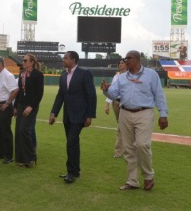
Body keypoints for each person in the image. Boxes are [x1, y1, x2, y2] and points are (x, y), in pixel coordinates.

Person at [101, 50, 169, 191]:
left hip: (144, 113)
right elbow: (114, 93)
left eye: (129, 58)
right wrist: (106, 90)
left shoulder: (151, 75)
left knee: (142, 144)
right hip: (125, 113)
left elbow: (159, 95)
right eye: (125, 59)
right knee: (128, 148)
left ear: (138, 59)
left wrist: (163, 114)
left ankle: (148, 176)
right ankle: (132, 181)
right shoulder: (121, 77)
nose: (126, 61)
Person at [49, 51, 97, 184]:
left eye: (65, 58)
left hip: (80, 115)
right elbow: (61, 96)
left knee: (71, 142)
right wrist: (54, 113)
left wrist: (89, 115)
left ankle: (72, 172)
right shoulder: (63, 75)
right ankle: (74, 171)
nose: (63, 60)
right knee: (73, 143)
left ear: (73, 60)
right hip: (67, 116)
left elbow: (91, 95)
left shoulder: (85, 73)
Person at [14, 53, 44, 168]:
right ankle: (23, 159)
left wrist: (31, 106)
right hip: (21, 105)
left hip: (31, 107)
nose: (23, 62)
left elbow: (39, 93)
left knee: (24, 130)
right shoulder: (22, 75)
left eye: (25, 60)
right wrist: (16, 106)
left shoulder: (38, 75)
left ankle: (31, 157)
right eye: (23, 60)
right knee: (18, 131)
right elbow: (20, 92)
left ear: (32, 62)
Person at [0, 56, 19, 164]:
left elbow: (15, 90)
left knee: (5, 131)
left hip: (3, 106)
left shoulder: (7, 75)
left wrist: (7, 103)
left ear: (1, 64)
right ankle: (0, 153)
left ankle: (9, 156)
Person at [104, 59, 127, 158]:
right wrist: (107, 104)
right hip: (116, 103)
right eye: (119, 63)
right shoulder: (116, 77)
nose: (120, 65)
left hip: (126, 104)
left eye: (123, 63)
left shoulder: (130, 76)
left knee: (122, 127)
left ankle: (119, 151)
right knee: (121, 126)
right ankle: (120, 150)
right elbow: (112, 91)